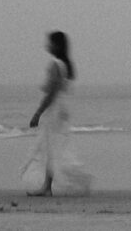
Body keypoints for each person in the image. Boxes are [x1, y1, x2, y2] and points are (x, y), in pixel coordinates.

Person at [21, 31, 92, 196]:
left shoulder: (55, 64)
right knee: (54, 147)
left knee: (50, 147)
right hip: (63, 108)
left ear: (57, 45)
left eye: (50, 43)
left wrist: (38, 112)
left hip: (54, 109)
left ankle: (47, 186)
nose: (48, 45)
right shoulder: (66, 65)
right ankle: (47, 185)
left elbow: (51, 92)